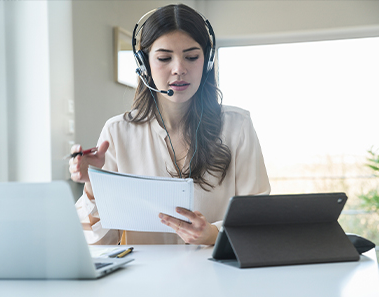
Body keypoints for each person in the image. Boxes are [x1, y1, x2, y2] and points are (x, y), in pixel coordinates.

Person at [69, 4, 270, 246]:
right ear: (144, 65)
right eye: (164, 58)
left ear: (207, 62)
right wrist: (93, 185)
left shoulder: (238, 127)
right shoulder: (117, 132)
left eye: (192, 57)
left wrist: (213, 235)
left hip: (218, 278)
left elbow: (258, 222)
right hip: (144, 282)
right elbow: (98, 243)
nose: (179, 69)